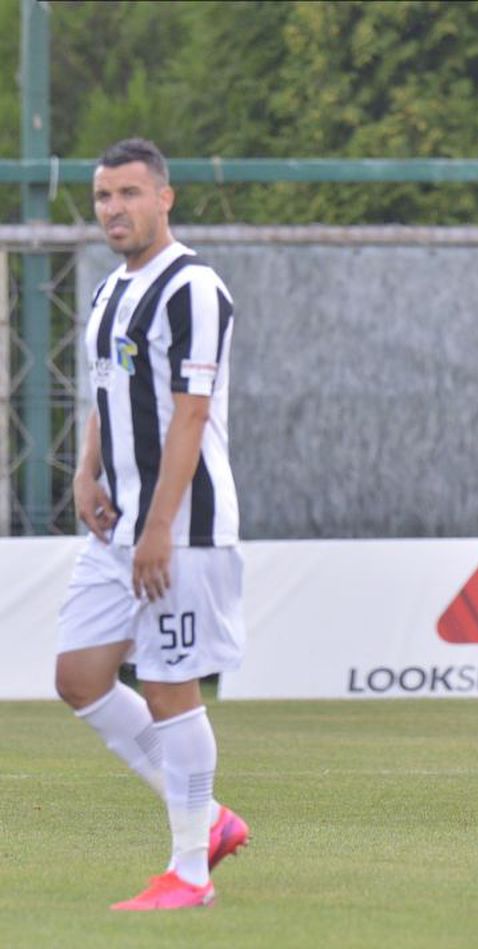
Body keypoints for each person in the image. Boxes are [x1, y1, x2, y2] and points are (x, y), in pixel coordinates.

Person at [56, 138, 248, 910]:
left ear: (164, 197)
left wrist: (160, 526)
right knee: (80, 676)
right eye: (104, 196)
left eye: (130, 194)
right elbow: (108, 390)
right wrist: (85, 468)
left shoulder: (193, 288)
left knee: (171, 687)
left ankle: (190, 873)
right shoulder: (109, 291)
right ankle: (211, 817)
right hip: (122, 523)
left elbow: (192, 412)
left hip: (184, 524)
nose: (114, 209)